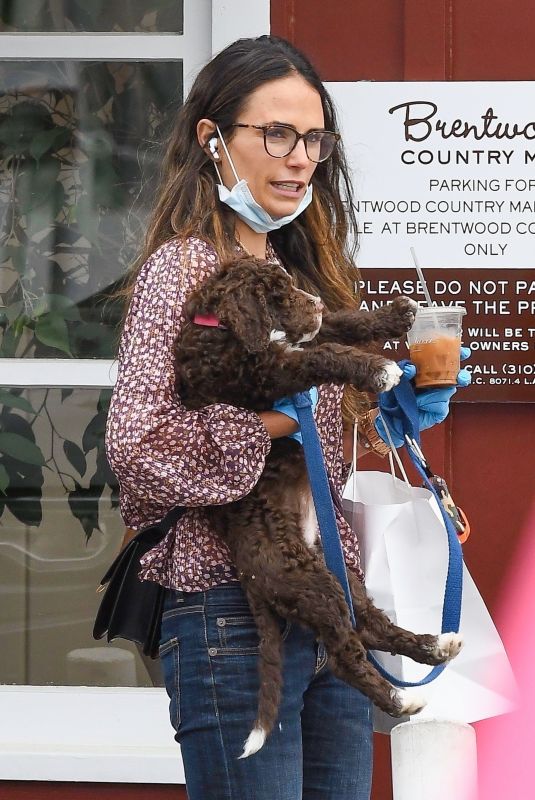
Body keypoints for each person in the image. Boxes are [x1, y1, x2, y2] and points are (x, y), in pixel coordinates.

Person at [105, 35, 469, 800]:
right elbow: (137, 450)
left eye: (312, 138)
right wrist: (283, 418)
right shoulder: (186, 267)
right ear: (212, 140)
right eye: (275, 133)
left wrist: (394, 410)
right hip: (228, 610)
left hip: (325, 603)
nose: (299, 157)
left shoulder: (293, 272)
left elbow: (306, 441)